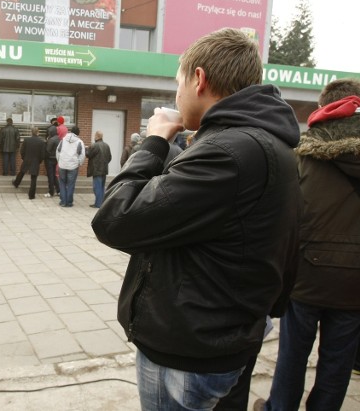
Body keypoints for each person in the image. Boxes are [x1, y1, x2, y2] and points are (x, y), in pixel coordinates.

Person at [90, 28, 302, 410]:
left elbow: (115, 219)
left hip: (189, 349)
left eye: (178, 85)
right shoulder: (269, 143)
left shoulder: (228, 151)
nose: (177, 96)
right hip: (228, 333)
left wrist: (153, 141)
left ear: (199, 80)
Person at [254, 78, 360, 411]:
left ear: (323, 108)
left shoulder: (304, 154)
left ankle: (279, 408)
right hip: (355, 282)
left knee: (293, 355)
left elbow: (283, 216)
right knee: (338, 362)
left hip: (307, 275)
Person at [12, 126, 46, 199]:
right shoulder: (41, 142)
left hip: (27, 159)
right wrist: (39, 161)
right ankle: (31, 195)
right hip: (36, 161)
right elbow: (43, 154)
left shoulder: (26, 140)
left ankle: (16, 183)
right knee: (33, 178)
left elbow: (22, 151)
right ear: (38, 132)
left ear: (31, 132)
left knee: (22, 172)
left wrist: (24, 158)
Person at [57, 125, 85, 207]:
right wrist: (79, 163)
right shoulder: (80, 142)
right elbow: (82, 155)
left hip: (62, 165)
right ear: (78, 133)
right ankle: (69, 202)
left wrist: (59, 161)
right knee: (71, 184)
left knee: (62, 183)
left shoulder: (63, 140)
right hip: (73, 166)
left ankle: (63, 201)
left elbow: (58, 151)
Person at [86, 130, 112, 209]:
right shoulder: (107, 145)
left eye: (95, 135)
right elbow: (109, 157)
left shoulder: (95, 146)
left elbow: (88, 155)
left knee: (97, 187)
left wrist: (86, 149)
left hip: (96, 169)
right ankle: (102, 203)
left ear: (97, 136)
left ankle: (98, 204)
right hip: (104, 169)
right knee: (101, 187)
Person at [43, 125, 60, 197]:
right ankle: (58, 190)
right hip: (55, 159)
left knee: (50, 176)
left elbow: (47, 150)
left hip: (49, 159)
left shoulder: (51, 140)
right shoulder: (58, 139)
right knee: (54, 175)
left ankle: (51, 192)